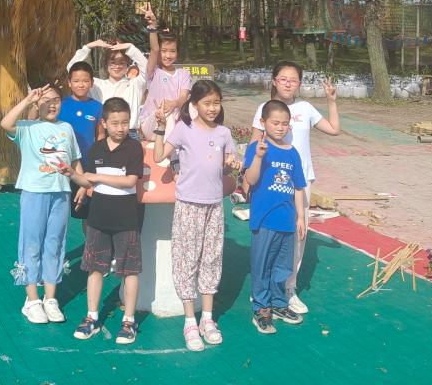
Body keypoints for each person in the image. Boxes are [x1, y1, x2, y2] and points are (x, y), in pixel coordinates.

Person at [153, 79, 240, 351]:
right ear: (194, 105)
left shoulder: (224, 133)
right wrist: (159, 126)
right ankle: (189, 321)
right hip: (188, 205)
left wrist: (233, 165)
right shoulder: (184, 129)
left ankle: (207, 319)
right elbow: (159, 156)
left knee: (211, 259)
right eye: (207, 103)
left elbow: (228, 167)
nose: (212, 108)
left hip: (214, 206)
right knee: (187, 260)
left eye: (216, 103)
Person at [249, 61, 340, 314]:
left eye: (294, 80)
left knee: (297, 237)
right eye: (283, 79)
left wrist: (331, 101)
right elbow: (254, 143)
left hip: (300, 182)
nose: (288, 84)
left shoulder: (306, 108)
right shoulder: (264, 109)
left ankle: (288, 289)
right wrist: (247, 178)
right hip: (270, 182)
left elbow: (334, 130)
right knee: (267, 237)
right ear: (274, 81)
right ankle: (263, 290)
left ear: (299, 84)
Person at [57, 97, 144, 345]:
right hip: (97, 220)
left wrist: (97, 177)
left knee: (129, 271)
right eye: (115, 123)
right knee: (95, 269)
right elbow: (87, 181)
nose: (120, 128)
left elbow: (129, 181)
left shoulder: (134, 148)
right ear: (104, 123)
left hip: (126, 221)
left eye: (125, 122)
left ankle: (129, 320)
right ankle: (92, 317)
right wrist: (73, 174)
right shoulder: (96, 149)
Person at [1, 83, 82, 324]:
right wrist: (28, 100)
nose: (52, 105)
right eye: (46, 101)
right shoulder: (28, 127)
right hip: (35, 192)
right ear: (38, 104)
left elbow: (75, 160)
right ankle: (32, 300)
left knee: (55, 243)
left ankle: (50, 298)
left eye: (56, 100)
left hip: (61, 193)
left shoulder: (66, 128)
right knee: (32, 243)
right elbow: (5, 123)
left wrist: (82, 185)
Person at [243, 100, 308, 333]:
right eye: (275, 123)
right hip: (264, 220)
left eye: (284, 124)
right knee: (262, 265)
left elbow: (298, 187)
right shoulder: (257, 148)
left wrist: (300, 217)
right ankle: (261, 308)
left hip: (287, 220)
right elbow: (250, 180)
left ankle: (279, 304)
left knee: (283, 266)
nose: (280, 128)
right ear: (263, 122)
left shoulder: (293, 153)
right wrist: (259, 157)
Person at [66, 39, 148, 135]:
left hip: (129, 134)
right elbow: (72, 69)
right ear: (106, 64)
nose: (117, 66)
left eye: (121, 63)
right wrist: (88, 47)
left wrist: (131, 48)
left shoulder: (135, 84)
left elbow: (148, 70)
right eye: (112, 62)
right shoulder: (96, 85)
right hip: (102, 134)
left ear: (127, 65)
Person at [57, 62, 104, 221]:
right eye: (76, 81)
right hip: (61, 165)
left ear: (92, 82)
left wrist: (96, 162)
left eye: (85, 80)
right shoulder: (60, 105)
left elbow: (100, 135)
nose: (81, 84)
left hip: (85, 167)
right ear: (69, 83)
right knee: (60, 212)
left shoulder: (97, 107)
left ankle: (88, 239)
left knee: (85, 213)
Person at [139, 3, 191, 139]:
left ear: (177, 53)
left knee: (190, 109)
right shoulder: (153, 71)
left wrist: (174, 104)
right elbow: (154, 49)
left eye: (172, 51)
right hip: (151, 123)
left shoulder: (184, 74)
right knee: (165, 114)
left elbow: (183, 97)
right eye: (164, 51)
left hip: (173, 121)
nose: (168, 55)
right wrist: (152, 25)